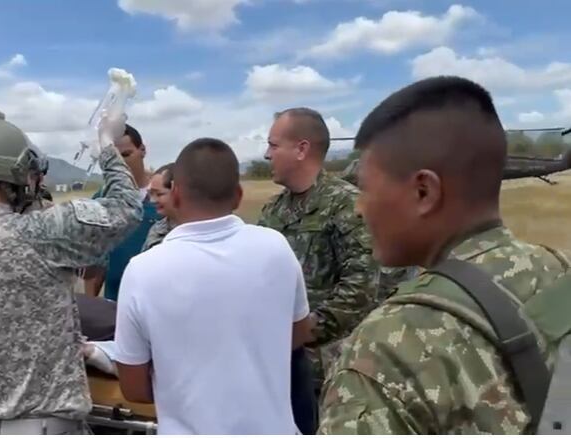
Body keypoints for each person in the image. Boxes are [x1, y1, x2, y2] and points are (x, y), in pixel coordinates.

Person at [317, 76, 571, 434]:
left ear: (424, 191)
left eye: (366, 190)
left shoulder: (388, 345)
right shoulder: (560, 269)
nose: (359, 208)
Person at [0, 109, 142, 435]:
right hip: (44, 425)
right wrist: (106, 147)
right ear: (22, 176)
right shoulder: (44, 232)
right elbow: (127, 207)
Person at [113, 137, 312, 434]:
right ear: (238, 195)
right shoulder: (276, 247)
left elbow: (133, 387)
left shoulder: (143, 271)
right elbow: (298, 333)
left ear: (176, 194)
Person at [257, 107, 384, 431]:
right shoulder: (273, 210)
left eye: (273, 145)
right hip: (276, 363)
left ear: (301, 149)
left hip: (330, 369)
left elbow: (363, 284)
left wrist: (307, 331)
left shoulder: (346, 204)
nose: (267, 154)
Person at [83, 124, 160, 301]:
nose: (120, 163)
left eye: (126, 155)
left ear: (142, 150)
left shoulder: (164, 198)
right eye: (114, 157)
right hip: (117, 306)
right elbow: (95, 263)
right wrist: (91, 308)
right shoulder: (101, 200)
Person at [142, 162, 175, 251]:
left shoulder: (198, 229)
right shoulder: (157, 229)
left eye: (159, 194)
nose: (152, 201)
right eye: (150, 194)